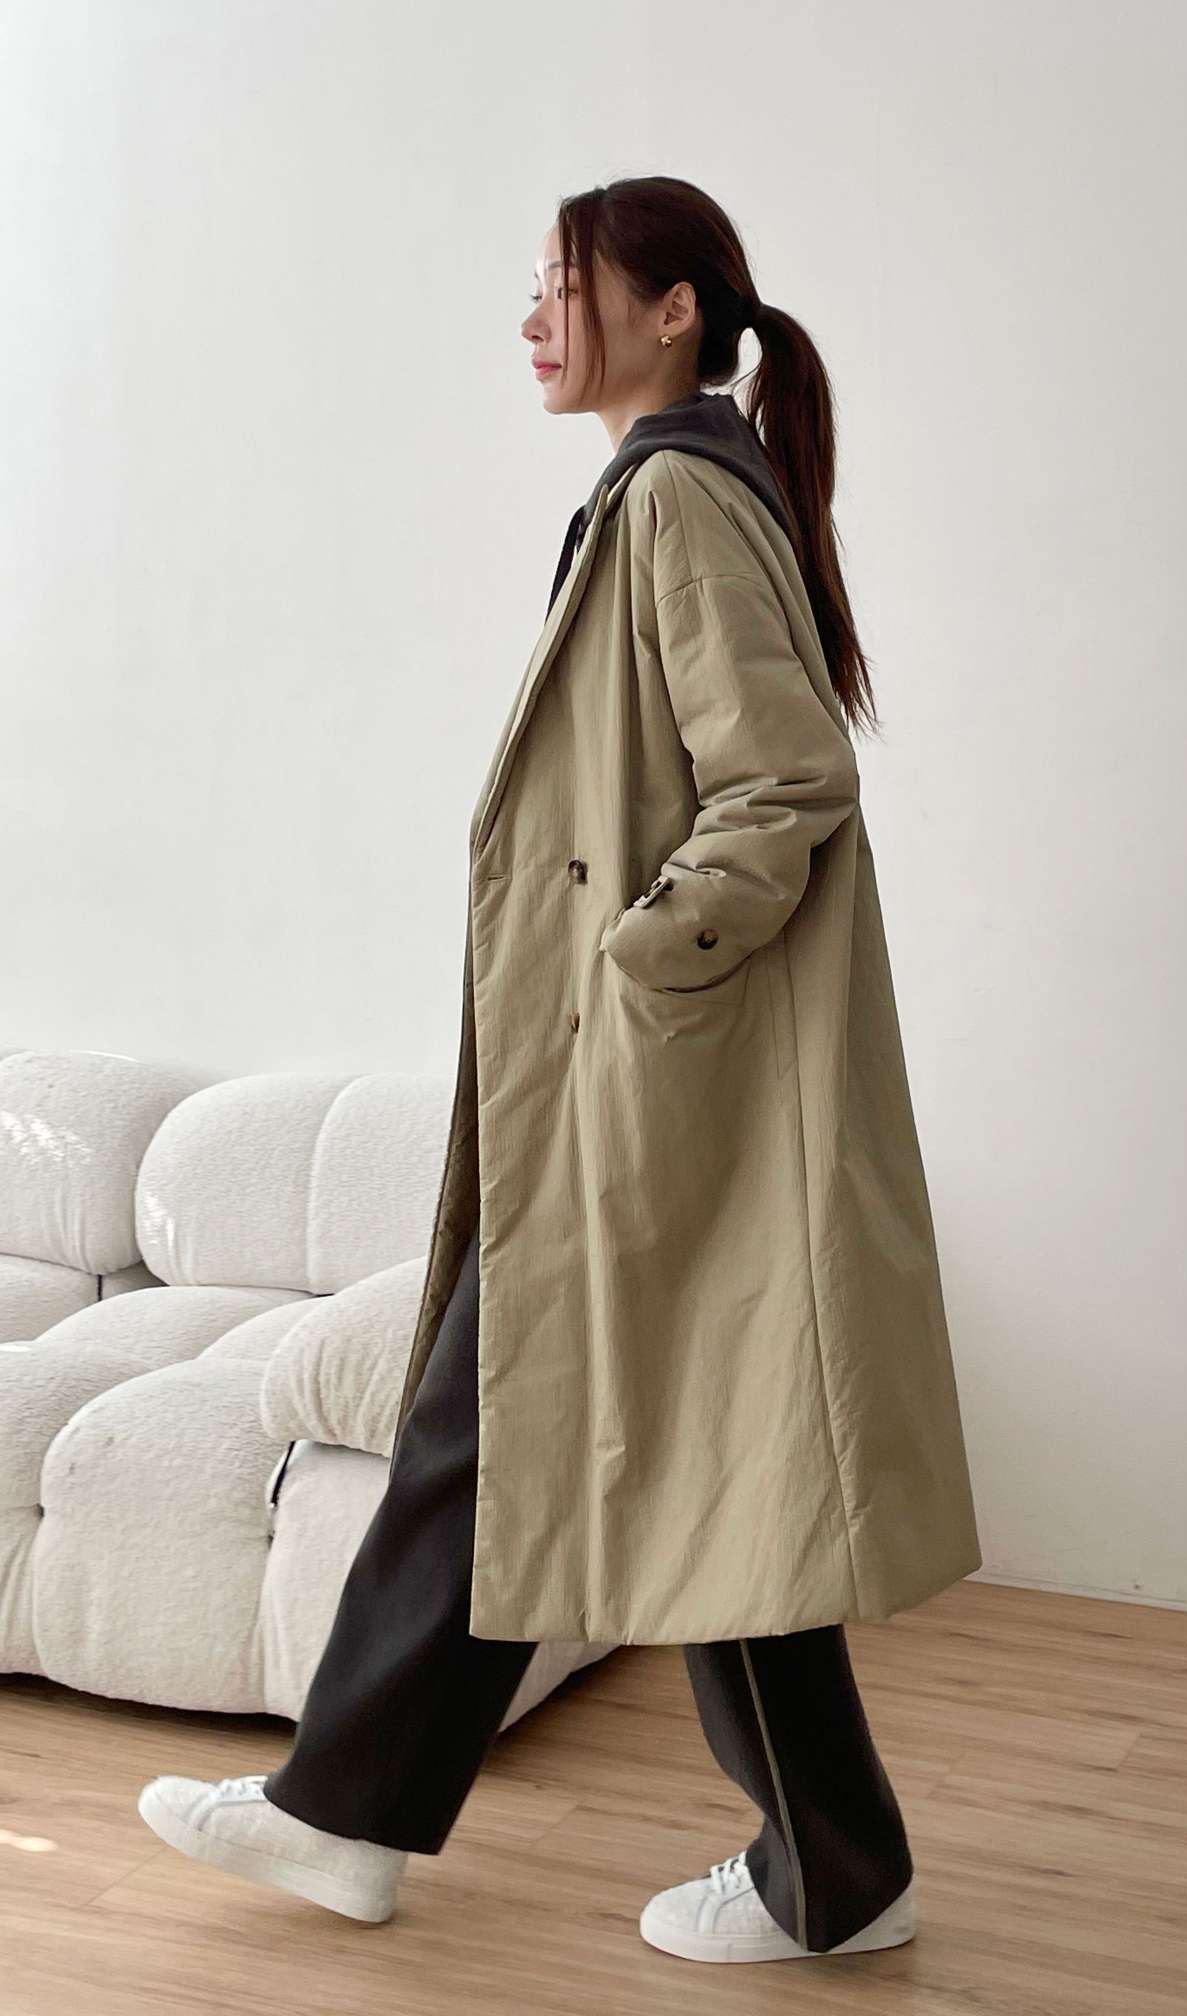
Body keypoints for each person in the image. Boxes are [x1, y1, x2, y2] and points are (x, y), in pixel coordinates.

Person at [137, 175, 980, 1965]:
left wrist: (634, 970)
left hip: (652, 1085)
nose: (534, 318)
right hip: (632, 1088)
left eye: (565, 284)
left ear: (673, 311)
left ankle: (813, 1872)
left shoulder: (675, 497)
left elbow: (787, 780)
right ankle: (381, 1820)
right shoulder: (663, 491)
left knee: (576, 1429)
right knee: (582, 1433)